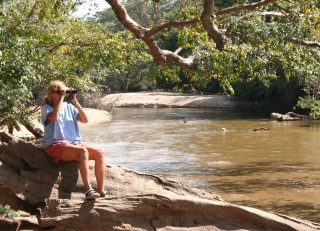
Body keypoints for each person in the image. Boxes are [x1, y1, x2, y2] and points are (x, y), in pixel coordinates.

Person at [41, 80, 106, 200]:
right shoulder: (46, 108)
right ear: (51, 94)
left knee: (99, 152)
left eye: (63, 91)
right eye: (59, 92)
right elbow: (54, 117)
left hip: (73, 144)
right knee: (82, 151)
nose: (62, 94)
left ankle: (101, 190)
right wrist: (61, 98)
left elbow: (85, 120)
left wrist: (75, 101)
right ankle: (88, 190)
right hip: (54, 144)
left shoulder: (70, 107)